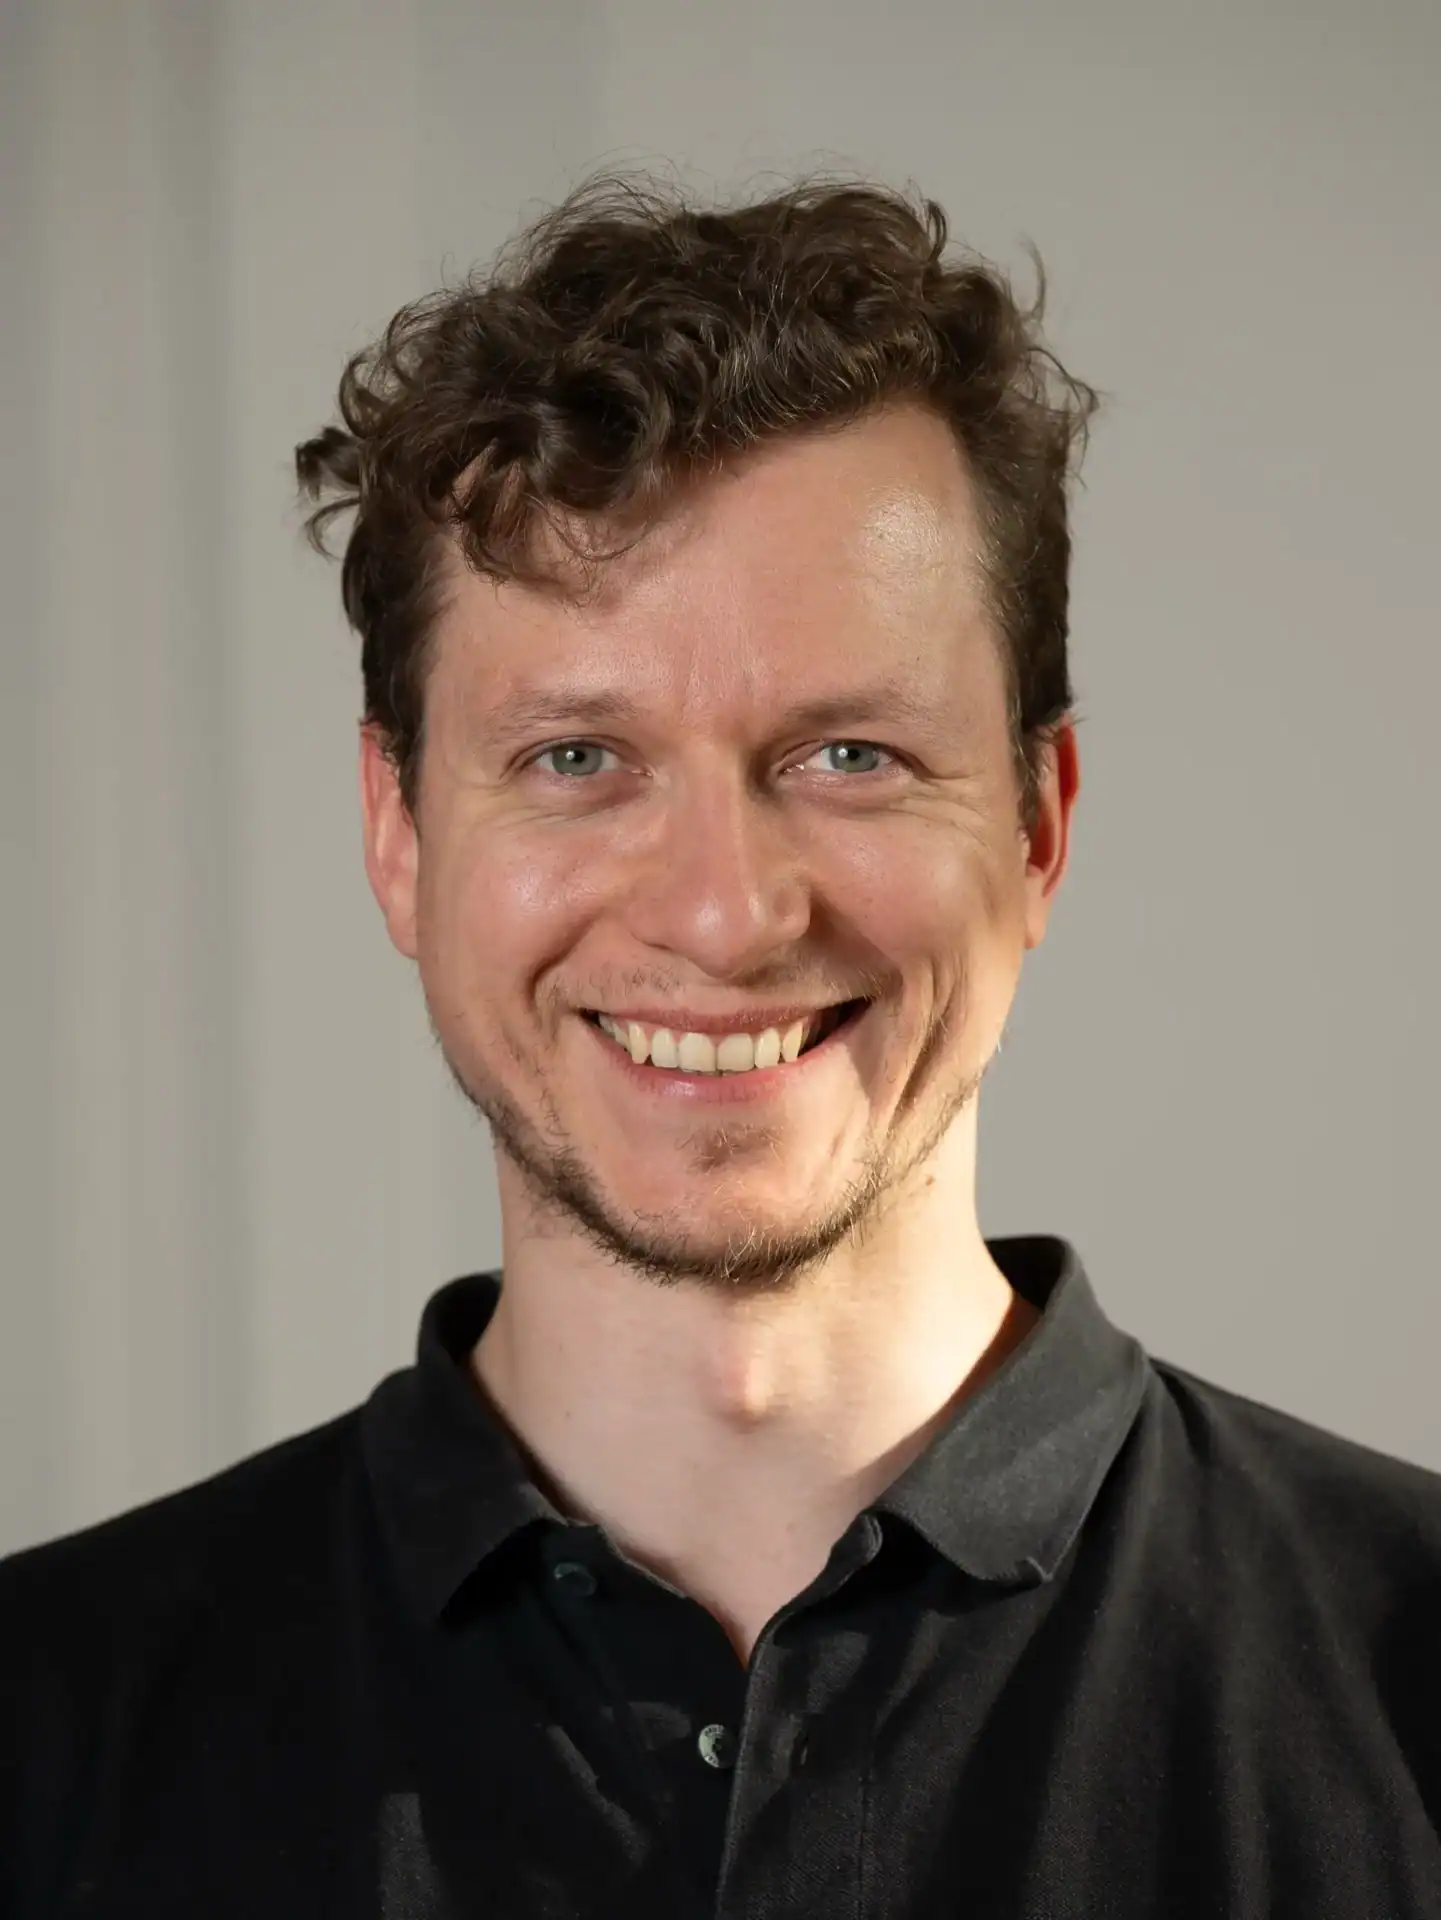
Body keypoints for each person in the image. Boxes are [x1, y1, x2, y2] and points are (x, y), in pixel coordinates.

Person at [3, 174, 1439, 1920]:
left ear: (1039, 826)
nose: (722, 913)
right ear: (397, 832)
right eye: (576, 760)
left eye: (851, 757)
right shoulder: (45, 1732)